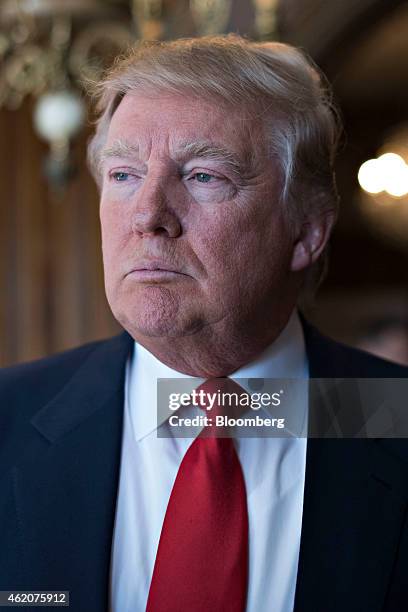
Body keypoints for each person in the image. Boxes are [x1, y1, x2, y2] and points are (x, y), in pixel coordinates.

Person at [1, 35, 407, 612]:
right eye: (123, 175)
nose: (147, 215)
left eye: (204, 176)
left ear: (307, 231)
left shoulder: (395, 419)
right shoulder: (8, 422)